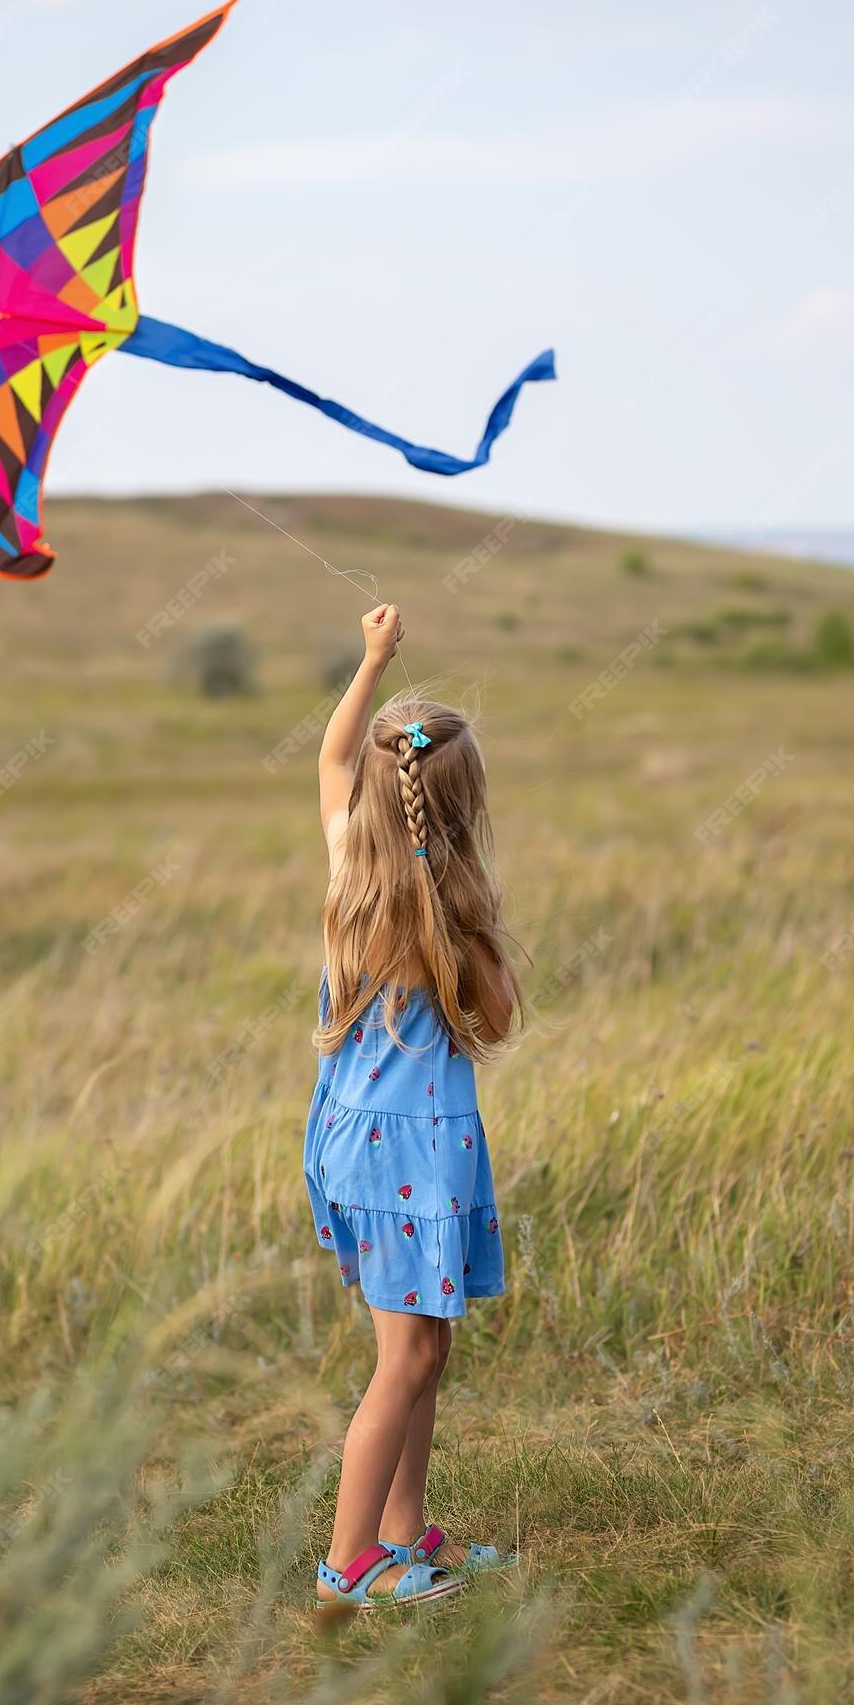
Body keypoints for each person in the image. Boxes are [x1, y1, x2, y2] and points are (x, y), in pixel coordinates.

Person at [306, 603, 522, 1609]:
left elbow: (333, 754)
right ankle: (351, 1566)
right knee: (407, 1355)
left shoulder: (353, 861)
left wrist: (372, 658)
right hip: (410, 1154)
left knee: (422, 1341)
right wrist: (478, 910)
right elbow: (498, 1016)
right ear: (461, 806)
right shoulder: (440, 915)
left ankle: (403, 1534)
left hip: (356, 1143)